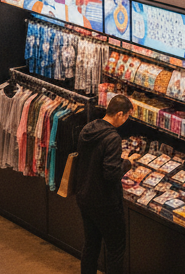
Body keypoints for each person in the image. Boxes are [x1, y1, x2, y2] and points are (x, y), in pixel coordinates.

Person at [74, 94, 134, 274]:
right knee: (115, 249)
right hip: (105, 203)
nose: (126, 120)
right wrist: (128, 163)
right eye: (127, 116)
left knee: (91, 244)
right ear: (120, 114)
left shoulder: (88, 129)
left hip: (84, 197)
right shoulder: (113, 138)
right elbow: (111, 173)